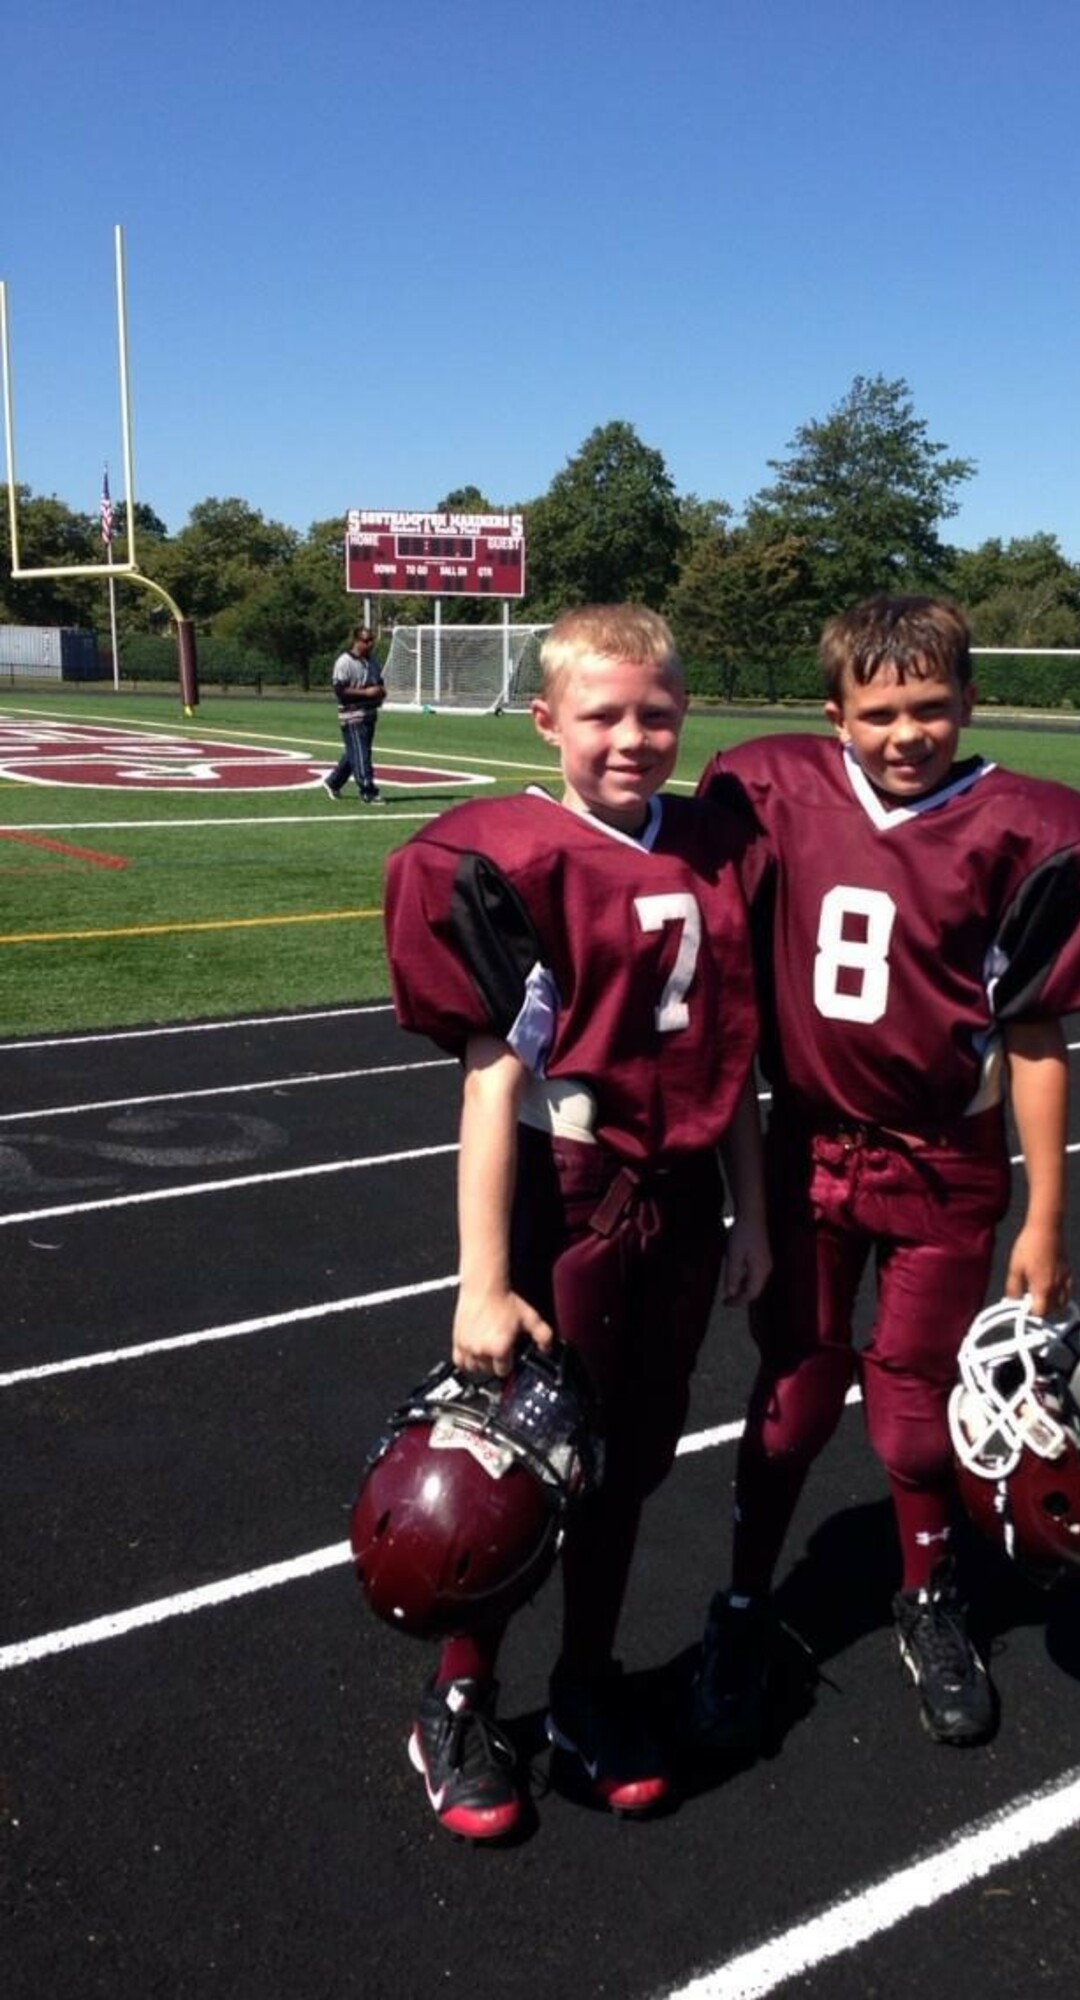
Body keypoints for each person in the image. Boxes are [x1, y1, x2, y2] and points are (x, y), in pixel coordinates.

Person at [687, 594, 1080, 1754]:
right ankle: (742, 1600)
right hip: (808, 1145)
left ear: (970, 702)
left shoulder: (1028, 829)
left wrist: (1049, 1210)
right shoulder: (773, 789)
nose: (906, 732)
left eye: (931, 707)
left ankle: (928, 1593)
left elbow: (1035, 1034)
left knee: (918, 1409)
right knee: (790, 1398)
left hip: (947, 1158)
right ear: (833, 712)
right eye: (879, 711)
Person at [382, 605, 770, 1837]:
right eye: (601, 713)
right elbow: (493, 1082)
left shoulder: (712, 847)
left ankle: (582, 1683)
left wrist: (752, 1209)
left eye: (656, 711)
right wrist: (482, 1279)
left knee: (630, 1467)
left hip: (685, 1194)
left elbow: (731, 1051)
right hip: (575, 1194)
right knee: (526, 1460)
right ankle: (458, 1693)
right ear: (545, 718)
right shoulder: (509, 855)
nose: (632, 736)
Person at [325, 626, 387, 803]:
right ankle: (368, 790)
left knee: (356, 753)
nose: (370, 644)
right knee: (361, 754)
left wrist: (380, 692)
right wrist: (366, 693)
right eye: (366, 641)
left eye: (371, 640)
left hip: (369, 713)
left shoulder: (372, 662)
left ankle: (334, 782)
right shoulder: (344, 662)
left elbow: (379, 684)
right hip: (352, 714)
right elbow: (340, 690)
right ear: (357, 641)